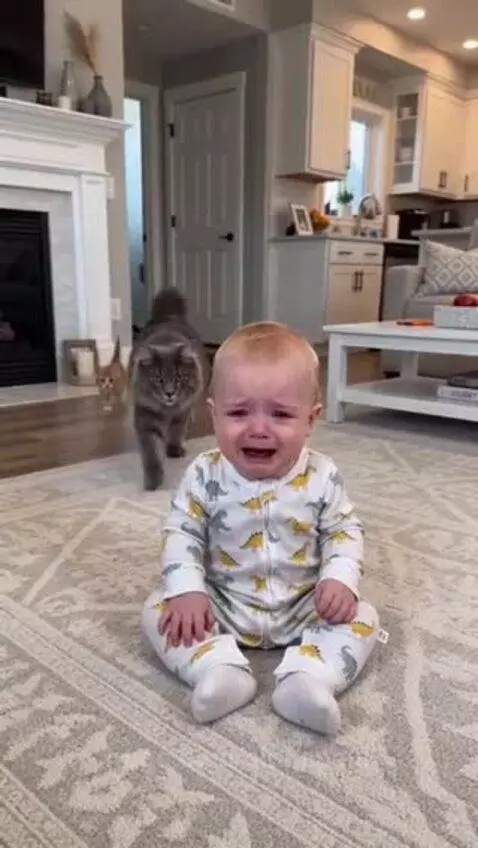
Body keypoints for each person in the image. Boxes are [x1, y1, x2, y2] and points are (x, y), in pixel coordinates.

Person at [141, 322, 379, 734]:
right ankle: (217, 670)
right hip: (223, 602)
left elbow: (344, 531)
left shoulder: (323, 475)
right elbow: (182, 531)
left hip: (305, 604)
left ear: (311, 419)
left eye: (282, 414)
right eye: (238, 412)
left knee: (366, 617)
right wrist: (188, 591)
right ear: (213, 413)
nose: (258, 428)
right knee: (156, 611)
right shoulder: (204, 473)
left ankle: (309, 679)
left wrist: (340, 581)